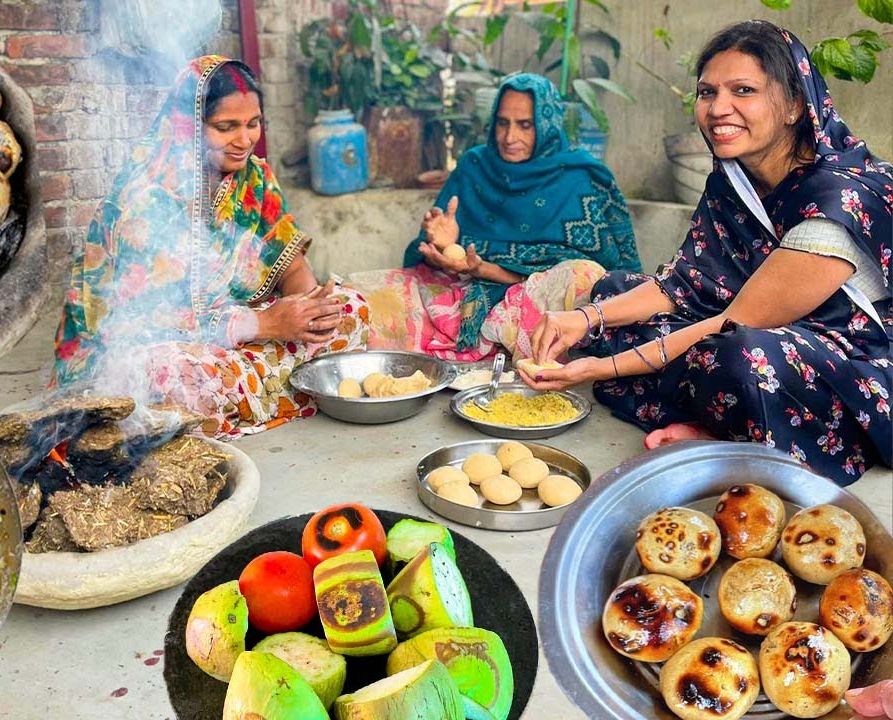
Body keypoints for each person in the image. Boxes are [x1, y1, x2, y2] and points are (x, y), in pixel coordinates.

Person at [522, 21, 892, 485]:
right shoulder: (735, 179)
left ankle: (728, 434)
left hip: (854, 354)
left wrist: (599, 367)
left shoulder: (837, 197)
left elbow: (732, 321)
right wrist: (585, 318)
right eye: (707, 92)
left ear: (795, 104)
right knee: (615, 290)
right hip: (754, 321)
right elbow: (688, 283)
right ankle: (723, 423)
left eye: (743, 90)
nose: (719, 109)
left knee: (742, 356)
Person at [53, 56, 370, 439]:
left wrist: (310, 315)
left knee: (352, 309)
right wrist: (265, 325)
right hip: (151, 349)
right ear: (189, 127)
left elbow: (293, 266)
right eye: (226, 127)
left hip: (239, 342)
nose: (245, 140)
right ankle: (282, 389)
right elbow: (137, 324)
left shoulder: (255, 177)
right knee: (176, 376)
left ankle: (250, 396)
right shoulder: (147, 199)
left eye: (253, 124)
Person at [354, 72, 640, 361]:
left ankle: (483, 347)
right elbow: (435, 259)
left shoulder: (583, 177)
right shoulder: (475, 166)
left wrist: (487, 270)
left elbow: (615, 276)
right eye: (502, 123)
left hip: (537, 304)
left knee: (584, 277)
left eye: (525, 125)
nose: (509, 137)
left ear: (547, 124)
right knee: (361, 296)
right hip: (462, 296)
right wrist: (442, 245)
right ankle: (482, 347)